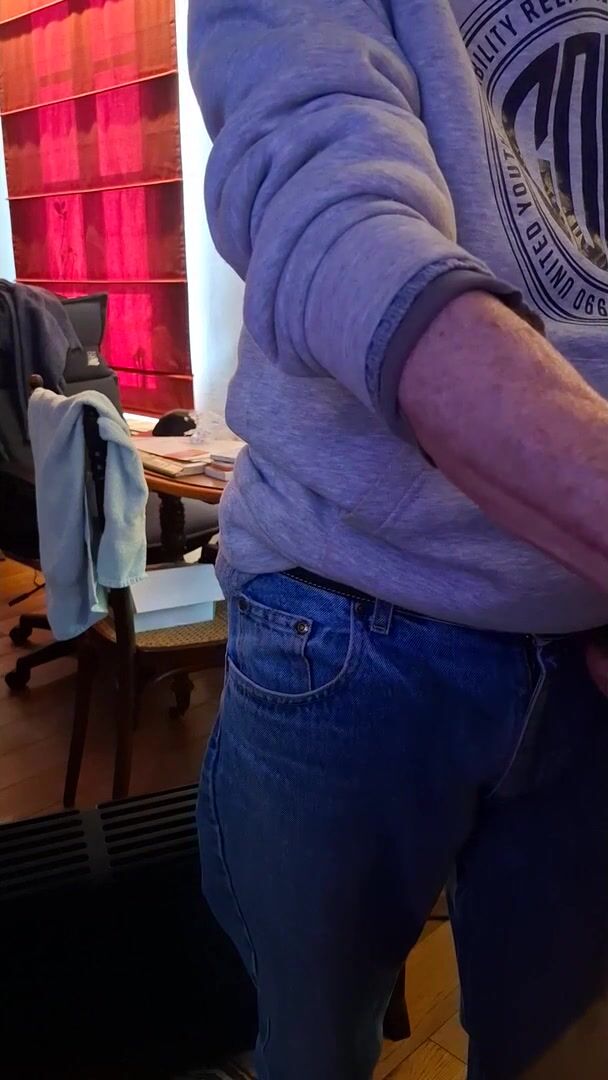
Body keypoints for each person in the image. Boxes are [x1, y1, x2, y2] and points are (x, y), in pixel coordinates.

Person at [188, 3, 608, 1077]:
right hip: (346, 613)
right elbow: (327, 208)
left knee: (556, 1052)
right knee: (310, 1046)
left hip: (589, 631)